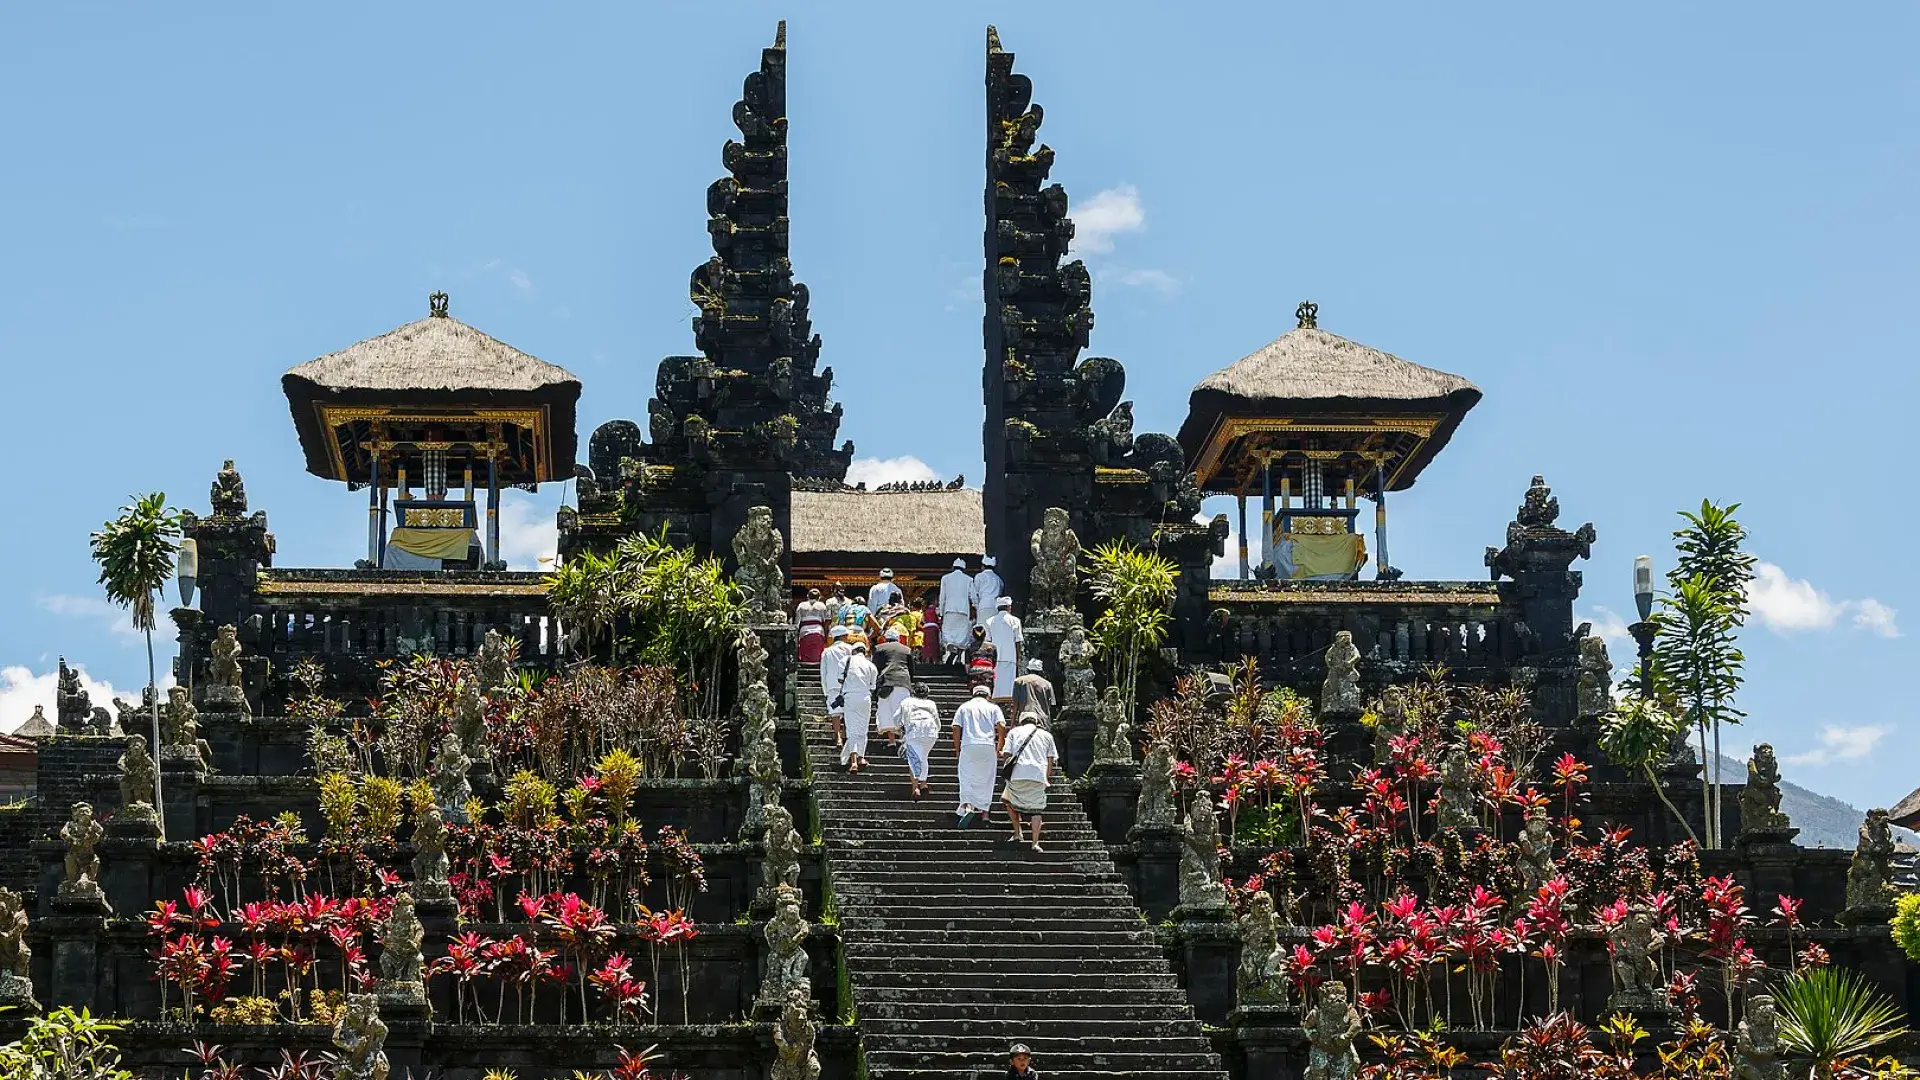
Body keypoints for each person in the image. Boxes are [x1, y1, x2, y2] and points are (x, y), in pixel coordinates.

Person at [1001, 711, 1058, 852]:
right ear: (1036, 721)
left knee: (1007, 799)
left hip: (1018, 773)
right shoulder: (1047, 735)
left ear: (1022, 721)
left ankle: (1018, 832)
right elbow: (1051, 759)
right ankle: (1035, 843)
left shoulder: (1014, 732)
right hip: (1038, 775)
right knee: (1036, 810)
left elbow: (1006, 754)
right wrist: (1047, 777)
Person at [951, 685, 1006, 826]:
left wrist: (957, 749)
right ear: (988, 695)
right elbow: (1001, 726)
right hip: (987, 745)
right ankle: (985, 813)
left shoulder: (964, 707)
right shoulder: (993, 708)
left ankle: (968, 806)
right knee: (987, 778)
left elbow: (956, 727)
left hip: (969, 745)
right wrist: (999, 746)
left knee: (966, 777)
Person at [837, 641, 879, 773]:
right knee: (863, 728)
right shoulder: (871, 665)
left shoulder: (846, 660)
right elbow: (873, 686)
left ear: (853, 651)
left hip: (850, 697)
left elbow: (840, 679)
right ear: (864, 651)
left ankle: (853, 761)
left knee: (851, 728)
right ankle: (861, 757)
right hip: (865, 697)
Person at [872, 627, 915, 747]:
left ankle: (892, 741)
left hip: (886, 682)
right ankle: (904, 739)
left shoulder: (879, 648)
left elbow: (875, 667)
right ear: (898, 638)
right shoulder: (906, 650)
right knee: (903, 712)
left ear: (885, 638)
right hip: (903, 682)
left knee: (886, 712)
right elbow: (911, 669)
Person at [899, 682, 942, 800]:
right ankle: (923, 783)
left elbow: (897, 718)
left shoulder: (907, 701)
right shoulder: (931, 703)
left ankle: (915, 787)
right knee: (923, 756)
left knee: (914, 760)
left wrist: (899, 727)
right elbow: (937, 720)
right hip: (931, 732)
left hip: (914, 731)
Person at [983, 596, 1024, 699]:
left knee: (996, 684)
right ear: (1009, 607)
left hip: (995, 658)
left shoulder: (989, 621)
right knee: (1009, 685)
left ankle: (996, 701)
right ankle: (1008, 704)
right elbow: (1018, 641)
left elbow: (987, 641)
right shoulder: (1015, 620)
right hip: (1010, 657)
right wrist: (1017, 657)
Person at [937, 557, 975, 664]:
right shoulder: (969, 579)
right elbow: (973, 596)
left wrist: (941, 612)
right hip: (963, 610)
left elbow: (942, 597)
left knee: (949, 633)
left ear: (953, 567)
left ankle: (952, 650)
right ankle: (958, 657)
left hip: (949, 609)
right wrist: (976, 607)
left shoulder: (945, 578)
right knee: (962, 635)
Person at [1011, 657, 1055, 725]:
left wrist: (1012, 724)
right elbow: (1051, 705)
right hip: (1042, 721)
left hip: (1025, 719)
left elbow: (1015, 705)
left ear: (1028, 670)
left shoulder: (1019, 681)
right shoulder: (1047, 684)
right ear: (1041, 671)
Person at [794, 588, 829, 664]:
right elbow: (826, 621)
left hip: (804, 632)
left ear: (807, 596)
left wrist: (796, 637)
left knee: (805, 653)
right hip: (818, 631)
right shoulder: (822, 606)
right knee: (818, 654)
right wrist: (826, 636)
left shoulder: (801, 605)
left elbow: (797, 623)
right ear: (819, 597)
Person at [970, 556, 1004, 628]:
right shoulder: (998, 579)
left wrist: (977, 606)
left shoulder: (979, 576)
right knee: (993, 630)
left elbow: (974, 594)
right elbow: (1001, 592)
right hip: (995, 607)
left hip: (983, 606)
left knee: (982, 630)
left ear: (983, 566)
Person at [966, 626, 997, 693]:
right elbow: (994, 664)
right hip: (988, 671)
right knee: (988, 692)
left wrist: (969, 675)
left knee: (973, 692)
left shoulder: (969, 647)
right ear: (985, 634)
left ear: (973, 635)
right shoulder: (993, 647)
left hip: (975, 672)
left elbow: (967, 666)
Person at [919, 595, 942, 664]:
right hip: (934, 627)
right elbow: (939, 618)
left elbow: (923, 620)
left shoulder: (925, 610)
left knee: (927, 644)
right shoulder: (936, 609)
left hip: (926, 628)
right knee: (934, 644)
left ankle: (927, 660)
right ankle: (935, 660)